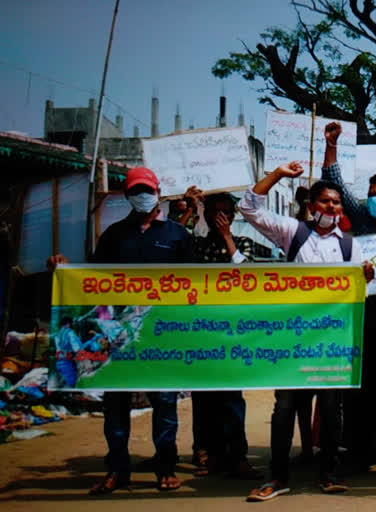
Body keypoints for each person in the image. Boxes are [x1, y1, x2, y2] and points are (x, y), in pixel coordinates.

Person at [48, 166, 192, 494]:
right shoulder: (113, 235)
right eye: (136, 191)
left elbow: (195, 286)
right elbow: (92, 282)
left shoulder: (177, 236)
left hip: (161, 334)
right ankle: (117, 469)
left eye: (148, 190)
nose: (143, 197)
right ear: (128, 196)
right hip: (117, 336)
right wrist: (65, 270)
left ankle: (166, 466)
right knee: (116, 402)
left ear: (158, 193)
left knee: (165, 402)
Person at [237, 161, 361, 501]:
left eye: (336, 203)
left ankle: (329, 473)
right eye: (325, 202)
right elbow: (247, 207)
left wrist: (365, 277)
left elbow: (361, 291)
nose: (332, 208)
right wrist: (278, 175)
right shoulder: (294, 232)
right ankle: (276, 477)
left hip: (332, 340)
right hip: (293, 338)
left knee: (331, 406)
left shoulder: (349, 246)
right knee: (285, 406)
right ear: (311, 206)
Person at [321, 121, 376, 479]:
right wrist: (331, 145)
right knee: (357, 385)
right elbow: (335, 182)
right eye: (371, 191)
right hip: (359, 313)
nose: (374, 197)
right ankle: (357, 451)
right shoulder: (361, 222)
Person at [184, 188, 260, 479]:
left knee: (231, 397)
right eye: (214, 212)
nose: (219, 218)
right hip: (202, 331)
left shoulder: (243, 243)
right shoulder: (198, 246)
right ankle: (206, 452)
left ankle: (237, 454)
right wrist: (192, 209)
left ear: (233, 214)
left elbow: (248, 276)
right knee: (204, 397)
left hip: (233, 333)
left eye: (225, 212)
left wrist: (228, 237)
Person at [54, 317, 82, 387]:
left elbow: (58, 348)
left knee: (62, 382)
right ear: (68, 324)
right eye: (71, 323)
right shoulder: (69, 332)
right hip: (68, 360)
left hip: (59, 360)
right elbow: (76, 347)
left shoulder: (57, 334)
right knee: (71, 383)